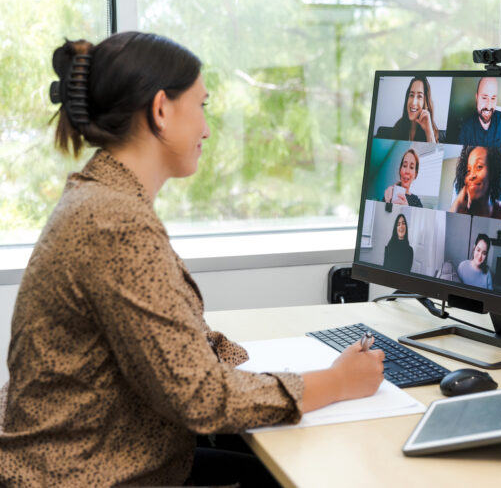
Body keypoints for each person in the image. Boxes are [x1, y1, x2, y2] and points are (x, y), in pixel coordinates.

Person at [0, 32, 385, 488]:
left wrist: (256, 368)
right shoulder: (115, 222)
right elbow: (201, 399)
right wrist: (337, 383)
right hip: (82, 474)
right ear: (161, 110)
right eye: (201, 105)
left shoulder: (100, 197)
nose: (205, 127)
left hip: (86, 457)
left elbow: (170, 340)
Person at [449, 145, 501, 221]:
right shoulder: (459, 212)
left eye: (479, 166)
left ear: (493, 172)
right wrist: (456, 206)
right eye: (468, 171)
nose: (471, 175)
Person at [376, 76, 439, 142]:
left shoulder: (431, 131)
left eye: (419, 96)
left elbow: (435, 152)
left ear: (425, 102)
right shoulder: (398, 127)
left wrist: (428, 131)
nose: (413, 102)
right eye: (411, 95)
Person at [457, 77, 501, 148]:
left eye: (493, 98)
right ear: (477, 98)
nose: (488, 107)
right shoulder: (466, 127)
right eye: (484, 98)